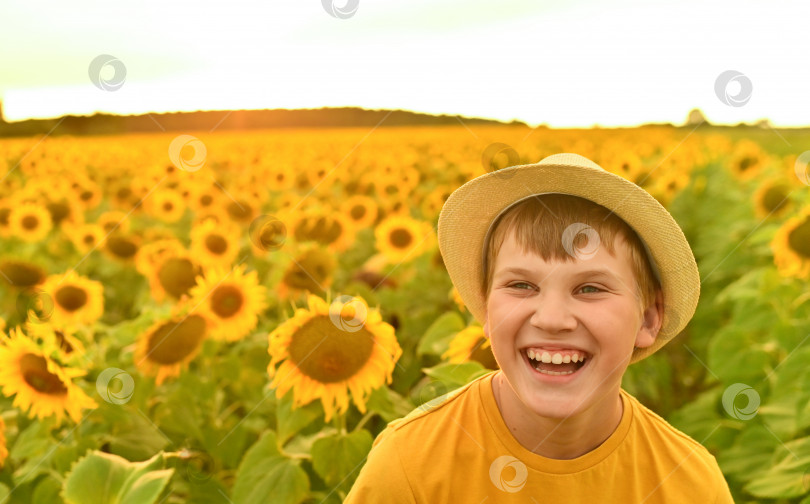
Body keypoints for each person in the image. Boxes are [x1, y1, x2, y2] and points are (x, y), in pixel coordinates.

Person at [343, 153, 735, 503]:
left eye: (590, 288)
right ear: (486, 309)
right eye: (522, 285)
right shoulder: (410, 466)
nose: (551, 318)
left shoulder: (691, 484)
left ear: (648, 320)